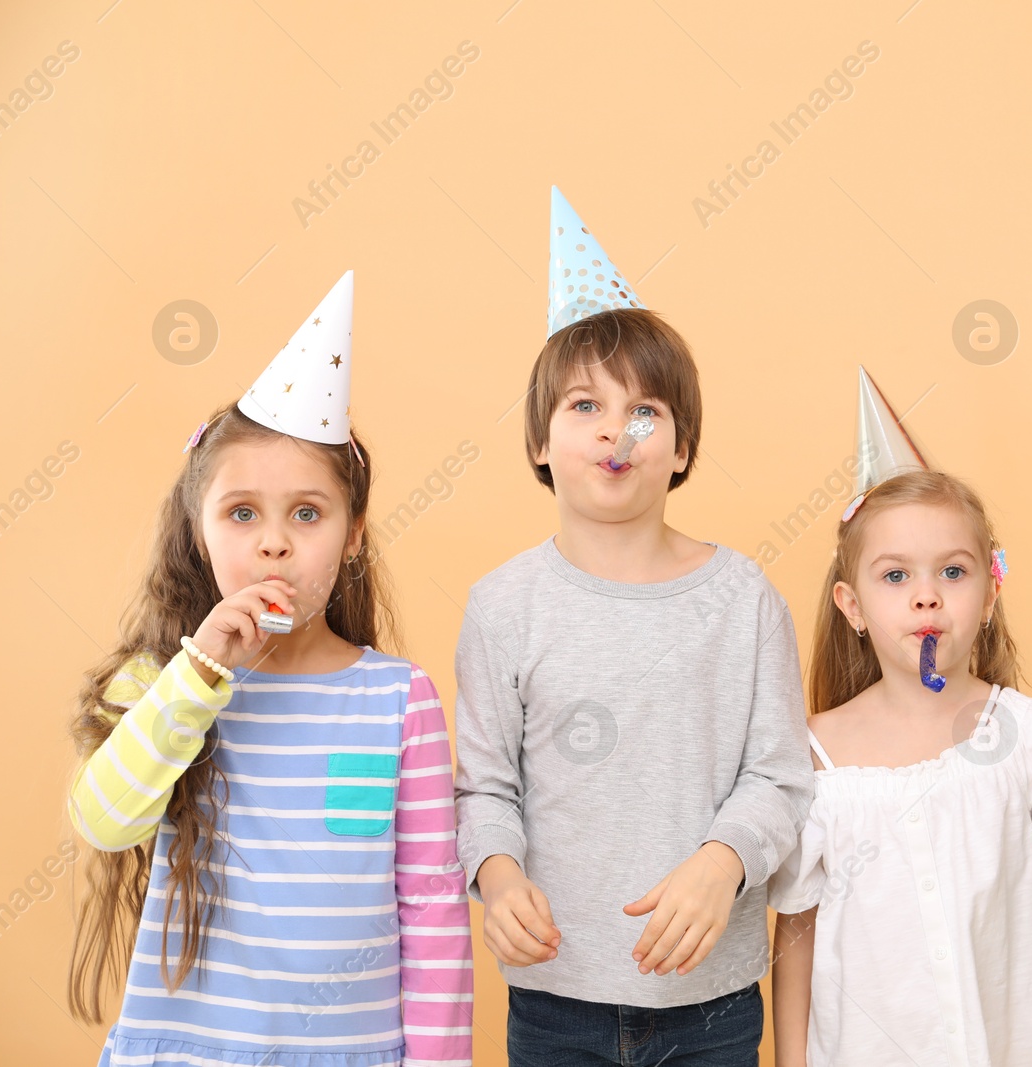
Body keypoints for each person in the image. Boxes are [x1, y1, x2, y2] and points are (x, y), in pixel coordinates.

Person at [67, 272, 474, 1067]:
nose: (274, 543)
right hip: (190, 1051)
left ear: (353, 534)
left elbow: (430, 907)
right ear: (198, 528)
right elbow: (104, 820)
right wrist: (200, 672)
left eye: (308, 514)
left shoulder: (398, 700)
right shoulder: (162, 681)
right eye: (242, 512)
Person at [452, 187, 812, 1066]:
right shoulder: (503, 605)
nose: (617, 429)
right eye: (584, 407)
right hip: (553, 1002)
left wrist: (723, 859)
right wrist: (497, 882)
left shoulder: (743, 597)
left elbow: (780, 777)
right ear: (539, 441)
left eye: (645, 410)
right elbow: (484, 790)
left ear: (682, 447)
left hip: (712, 1005)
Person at [768, 368, 1032, 1067]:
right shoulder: (814, 759)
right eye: (896, 576)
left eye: (952, 572)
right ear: (853, 605)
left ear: (991, 591)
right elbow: (795, 940)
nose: (926, 598)